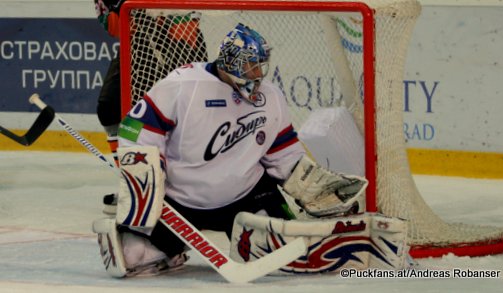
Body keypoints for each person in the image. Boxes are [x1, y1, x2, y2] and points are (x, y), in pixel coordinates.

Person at [92, 24, 404, 278]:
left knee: (288, 253)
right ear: (228, 60)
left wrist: (311, 184)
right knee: (131, 257)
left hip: (246, 196)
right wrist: (145, 172)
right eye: (248, 65)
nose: (256, 74)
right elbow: (135, 130)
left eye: (259, 66)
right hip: (180, 203)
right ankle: (170, 249)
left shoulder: (270, 96)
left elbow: (282, 152)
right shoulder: (182, 84)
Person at [94, 0, 208, 213]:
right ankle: (134, 183)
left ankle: (184, 188)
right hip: (140, 41)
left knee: (182, 112)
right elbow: (115, 28)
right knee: (109, 107)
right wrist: (120, 7)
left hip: (179, 34)